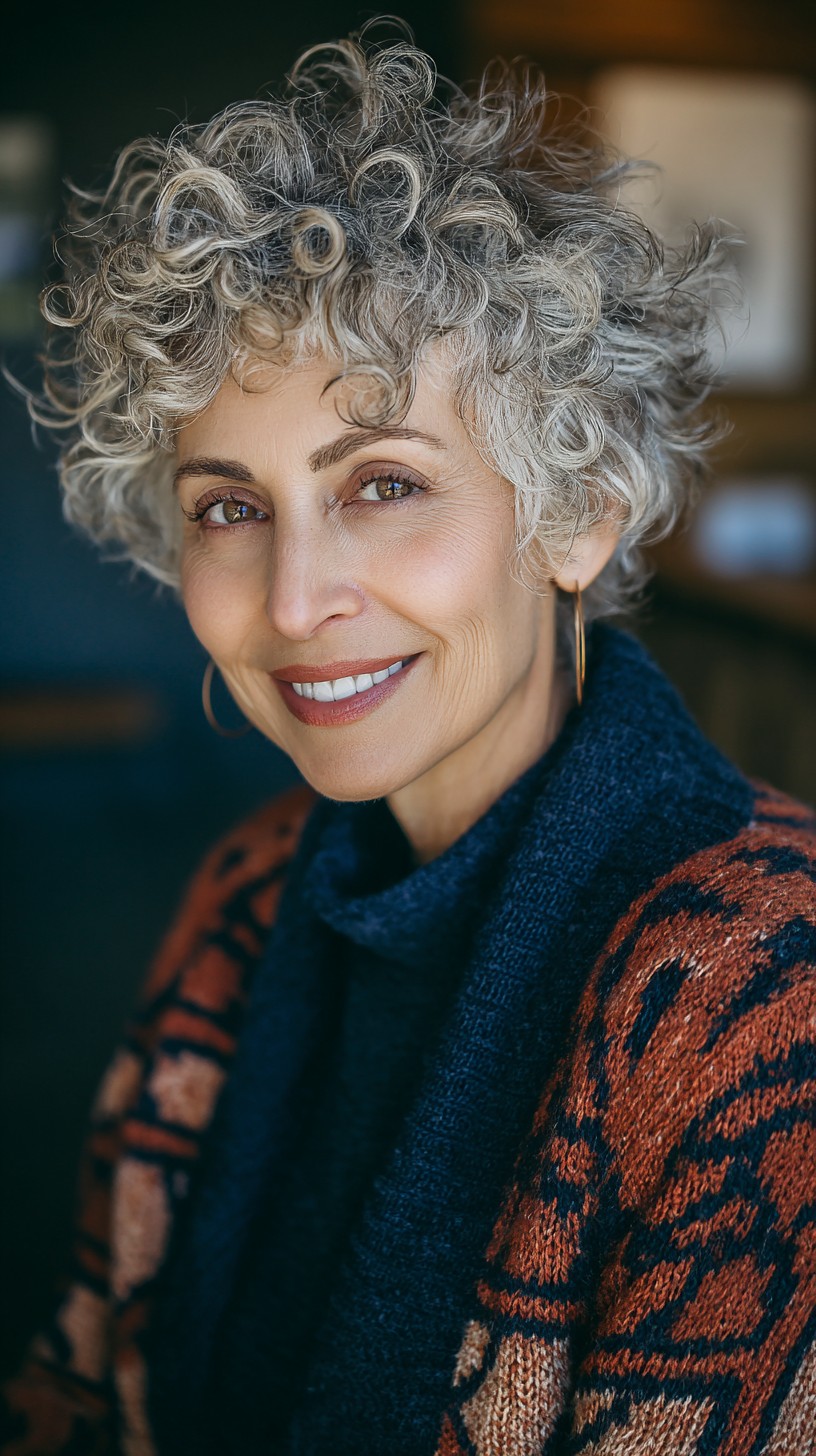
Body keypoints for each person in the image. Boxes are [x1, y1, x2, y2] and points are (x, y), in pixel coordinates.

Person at [2, 25, 814, 1456]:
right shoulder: (246, 894)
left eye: (383, 483)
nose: (298, 602)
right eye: (229, 507)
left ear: (577, 511)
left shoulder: (766, 1010)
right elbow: (78, 1384)